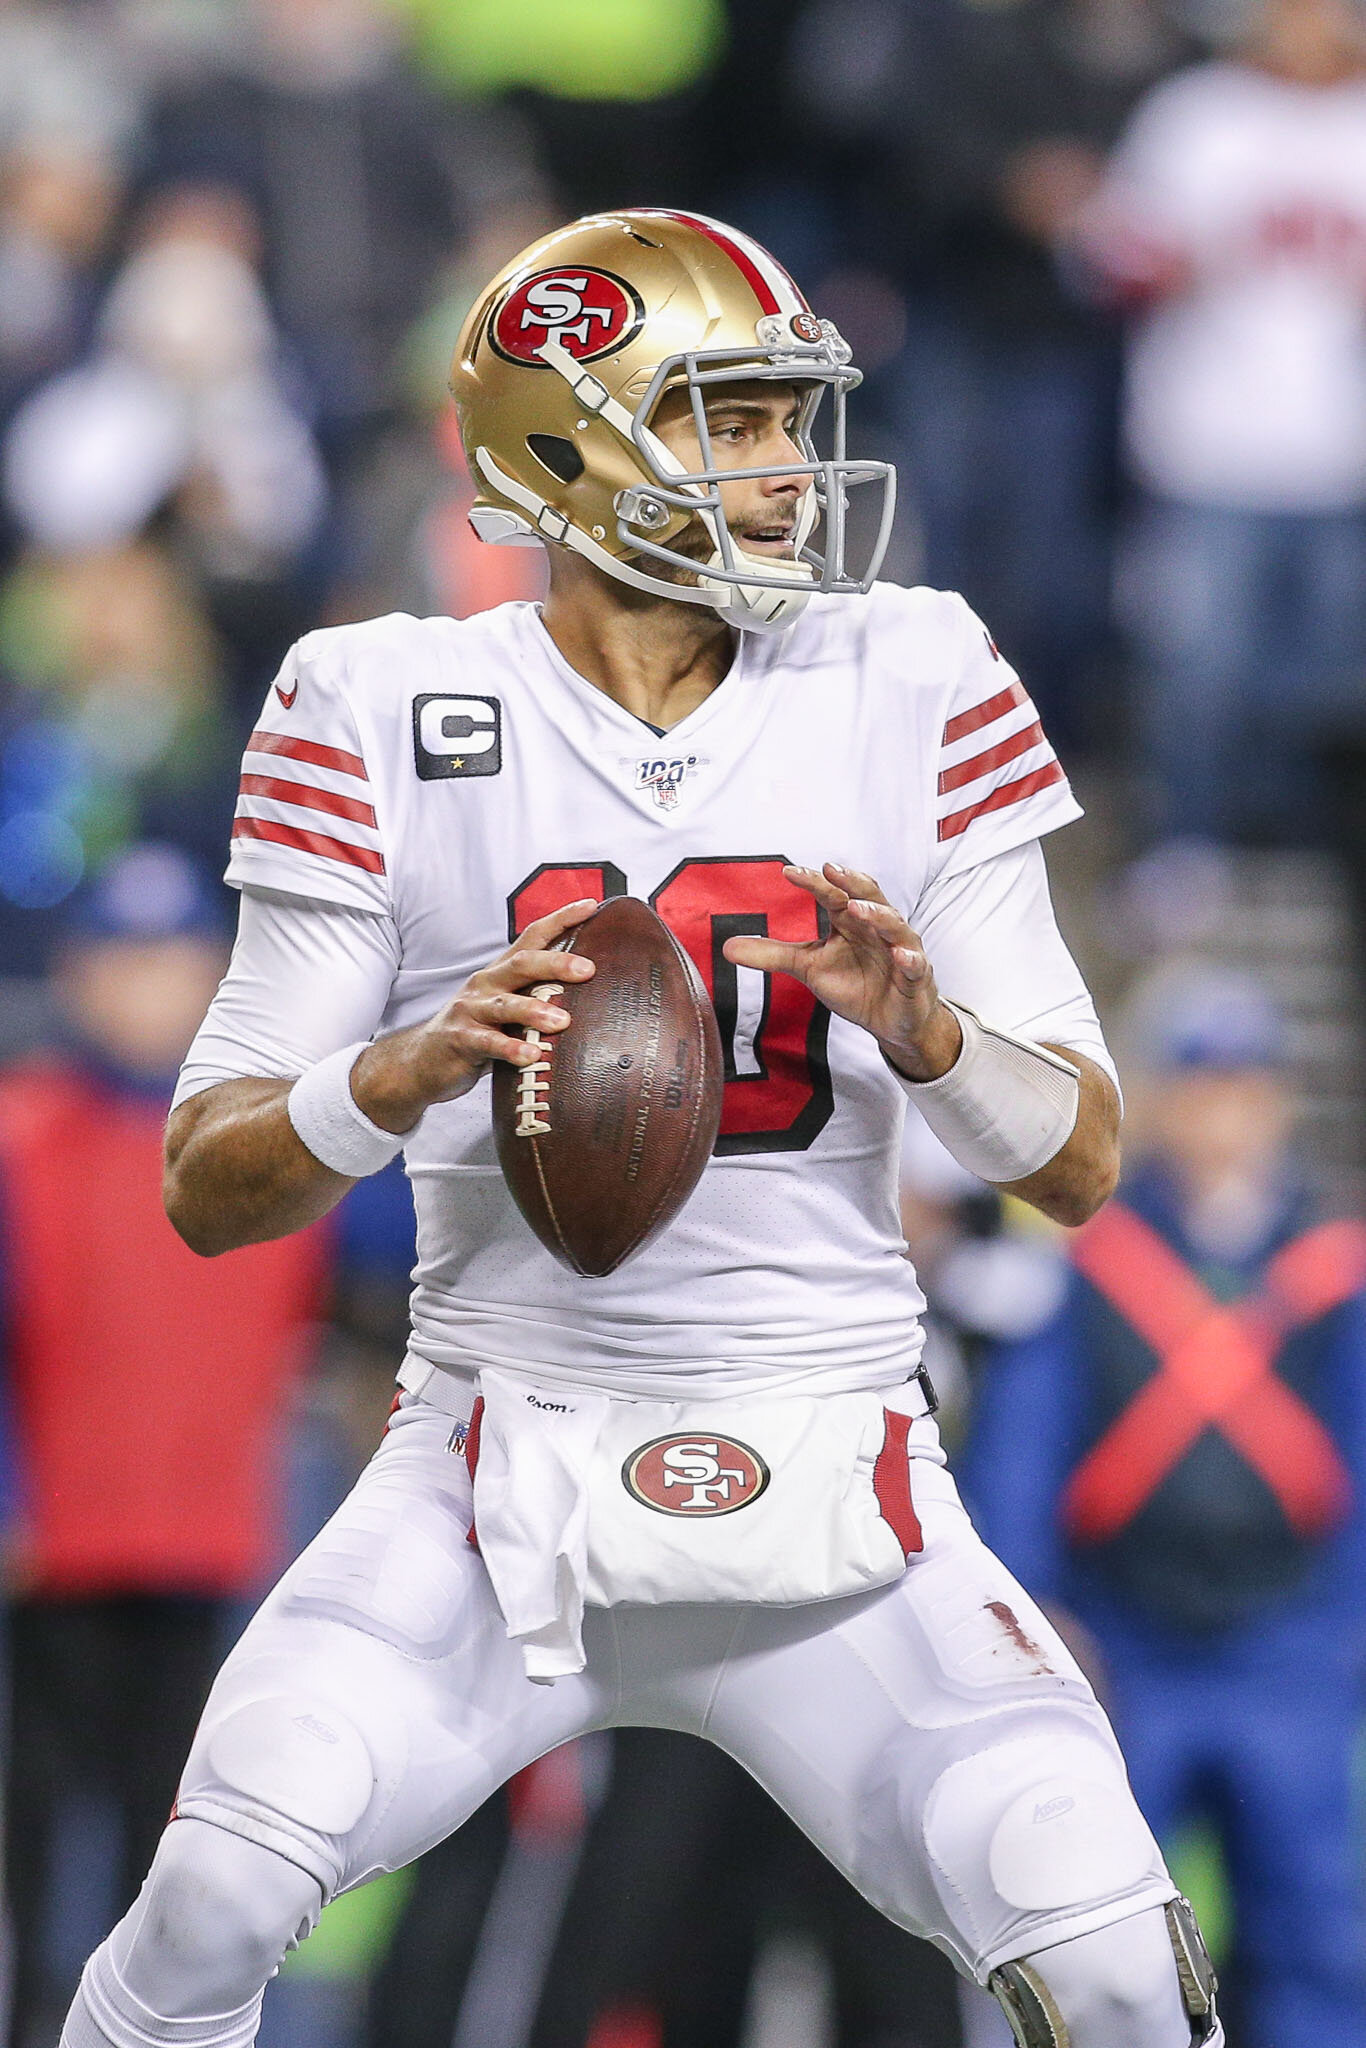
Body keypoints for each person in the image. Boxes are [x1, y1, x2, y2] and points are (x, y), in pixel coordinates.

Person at [58, 211, 1221, 2048]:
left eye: (786, 419)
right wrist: (400, 1070)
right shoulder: (373, 701)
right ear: (561, 448)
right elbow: (209, 1179)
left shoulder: (910, 670)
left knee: (1113, 1968)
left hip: (846, 1475)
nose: (784, 472)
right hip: (490, 1469)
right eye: (733, 420)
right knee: (210, 1890)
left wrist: (931, 1038)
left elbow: (1074, 1163)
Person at [960, 970, 1366, 2046]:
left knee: (1315, 1932)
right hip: (1125, 1645)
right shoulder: (1092, 1265)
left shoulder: (1334, 1268)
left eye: (1242, 1082)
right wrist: (1033, 1622)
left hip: (1290, 1647)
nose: (1221, 1109)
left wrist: (1343, 1630)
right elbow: (1023, 1447)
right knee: (1098, 1938)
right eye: (1196, 1083)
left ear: (1275, 1098)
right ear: (1161, 1099)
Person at [0, 843, 327, 2047]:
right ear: (78, 976)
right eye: (122, 960)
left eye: (172, 959)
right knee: (35, 1819)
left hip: (209, 1542)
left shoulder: (267, 1145)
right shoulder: (23, 1134)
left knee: (182, 1831)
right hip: (56, 1546)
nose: (147, 987)